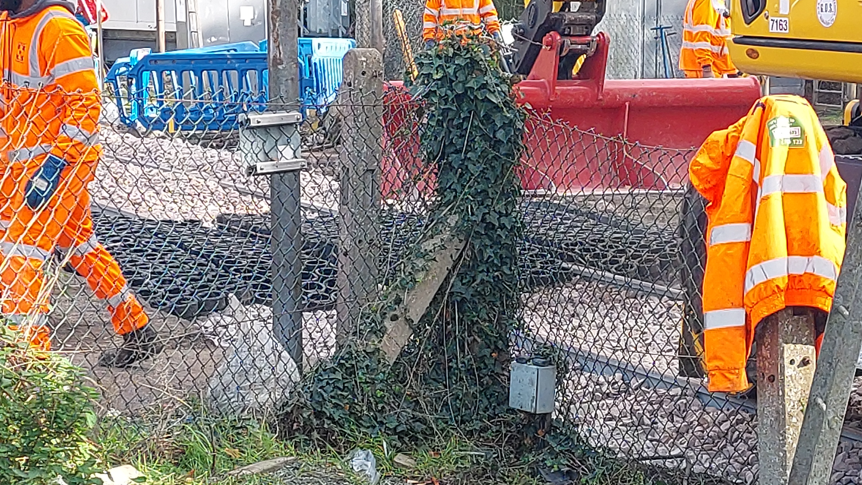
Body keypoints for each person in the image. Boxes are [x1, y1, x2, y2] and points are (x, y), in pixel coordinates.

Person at [0, 0, 163, 367]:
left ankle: (30, 368)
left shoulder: (57, 28)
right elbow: (7, 109)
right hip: (28, 169)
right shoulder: (9, 26)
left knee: (18, 257)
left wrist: (55, 166)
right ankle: (136, 328)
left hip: (57, 167)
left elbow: (86, 107)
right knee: (78, 245)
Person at [689, 95, 846, 393]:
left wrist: (726, 372)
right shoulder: (817, 151)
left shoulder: (744, 155)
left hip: (762, 290)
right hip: (819, 284)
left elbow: (703, 172)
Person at [679, 0, 738, 78]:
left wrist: (731, 71)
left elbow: (722, 38)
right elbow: (702, 38)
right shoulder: (707, 2)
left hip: (715, 68)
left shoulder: (716, 2)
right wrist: (706, 68)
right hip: (702, 69)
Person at [422, 0, 503, 49]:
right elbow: (430, 17)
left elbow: (489, 13)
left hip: (473, 44)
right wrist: (429, 38)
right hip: (447, 45)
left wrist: (495, 31)